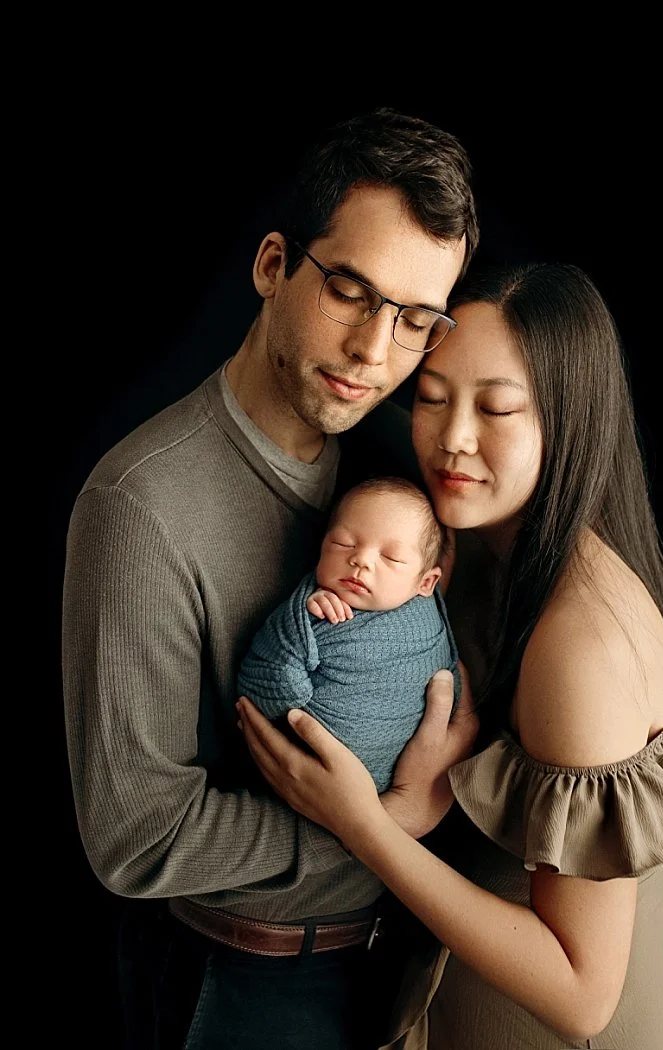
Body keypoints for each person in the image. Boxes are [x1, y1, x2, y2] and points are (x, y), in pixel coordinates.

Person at [61, 107, 480, 1050]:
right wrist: (376, 829)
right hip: (243, 987)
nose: (376, 352)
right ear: (272, 267)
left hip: (393, 960)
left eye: (414, 319)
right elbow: (136, 835)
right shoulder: (141, 507)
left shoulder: (388, 466)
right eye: (350, 291)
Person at [237, 259, 663, 1050]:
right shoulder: (470, 550)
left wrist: (369, 825)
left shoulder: (582, 646)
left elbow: (580, 996)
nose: (452, 440)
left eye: (497, 409)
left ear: (570, 423)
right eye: (430, 401)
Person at [238, 476, 461, 792]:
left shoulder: (429, 619)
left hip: (410, 778)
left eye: (391, 557)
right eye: (342, 543)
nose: (361, 560)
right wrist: (301, 616)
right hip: (306, 775)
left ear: (426, 583)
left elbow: (448, 675)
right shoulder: (316, 611)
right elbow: (262, 679)